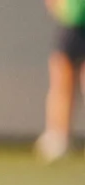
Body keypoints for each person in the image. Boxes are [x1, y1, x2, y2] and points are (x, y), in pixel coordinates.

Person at [37, 0, 85, 162]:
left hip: (78, 19)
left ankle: (58, 137)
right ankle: (57, 136)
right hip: (71, 23)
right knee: (61, 77)